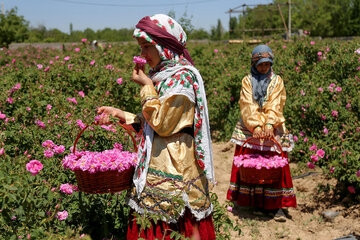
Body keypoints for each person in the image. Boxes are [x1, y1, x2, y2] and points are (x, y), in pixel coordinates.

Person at [97, 14, 216, 239]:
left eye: (146, 47)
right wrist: (120, 114)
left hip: (176, 166)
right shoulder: (164, 76)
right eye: (140, 47)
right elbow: (150, 123)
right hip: (160, 161)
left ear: (164, 46)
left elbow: (163, 125)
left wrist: (147, 86)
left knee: (173, 224)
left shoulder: (181, 79)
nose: (142, 55)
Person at [226, 44, 296, 222]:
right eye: (260, 64)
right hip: (251, 128)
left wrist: (270, 123)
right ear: (254, 64)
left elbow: (276, 102)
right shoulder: (247, 81)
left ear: (271, 64)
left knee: (275, 164)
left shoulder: (277, 81)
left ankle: (277, 205)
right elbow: (247, 104)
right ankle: (254, 203)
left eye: (267, 64)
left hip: (273, 125)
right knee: (252, 164)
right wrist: (256, 126)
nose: (263, 68)